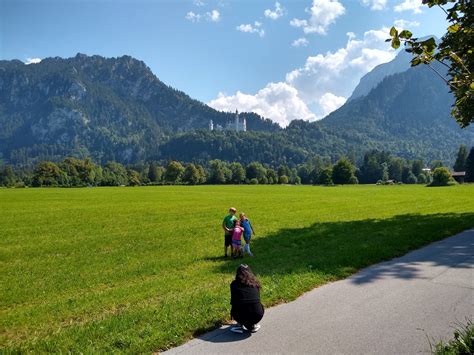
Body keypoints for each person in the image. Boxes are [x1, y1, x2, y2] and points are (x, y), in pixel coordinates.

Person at [230, 264, 264, 333]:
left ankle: (240, 325)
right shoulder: (255, 283)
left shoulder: (234, 284)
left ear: (237, 273)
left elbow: (233, 302)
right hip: (257, 315)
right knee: (256, 305)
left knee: (238, 306)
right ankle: (252, 325)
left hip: (241, 316)